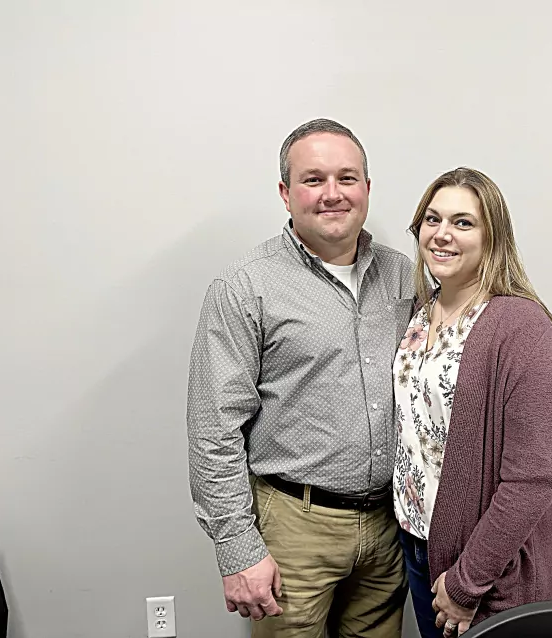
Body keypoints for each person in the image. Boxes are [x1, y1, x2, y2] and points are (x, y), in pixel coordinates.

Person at [186, 118, 415, 638]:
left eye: (347, 178)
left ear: (367, 188)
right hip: (294, 528)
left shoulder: (403, 275)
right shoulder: (245, 286)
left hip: (388, 528)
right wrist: (238, 549)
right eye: (314, 180)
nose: (333, 193)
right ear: (286, 193)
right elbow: (213, 430)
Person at [392, 167, 552, 637]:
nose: (442, 234)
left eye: (463, 222)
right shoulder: (418, 315)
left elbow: (531, 481)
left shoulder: (523, 328)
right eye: (432, 219)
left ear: (492, 236)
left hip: (484, 570)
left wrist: (467, 582)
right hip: (419, 547)